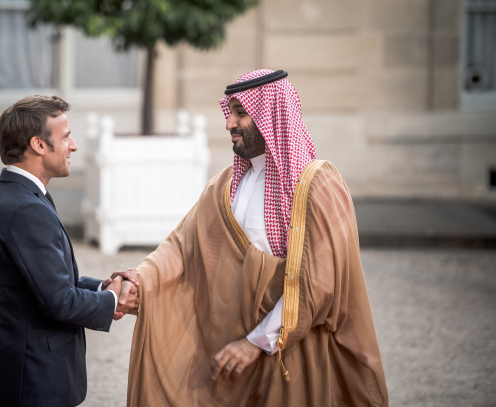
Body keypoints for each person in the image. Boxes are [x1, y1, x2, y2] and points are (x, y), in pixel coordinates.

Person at [115, 70, 388, 406]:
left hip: (293, 354)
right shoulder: (225, 185)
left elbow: (318, 283)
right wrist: (137, 281)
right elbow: (182, 247)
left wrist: (255, 342)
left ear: (271, 115)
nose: (229, 123)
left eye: (240, 113)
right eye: (229, 113)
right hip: (230, 351)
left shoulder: (318, 186)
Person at [0, 95, 140, 407]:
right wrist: (114, 300)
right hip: (33, 380)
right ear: (38, 145)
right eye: (65, 137)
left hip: (13, 371)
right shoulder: (26, 207)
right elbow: (60, 302)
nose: (73, 146)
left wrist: (102, 286)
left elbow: (41, 282)